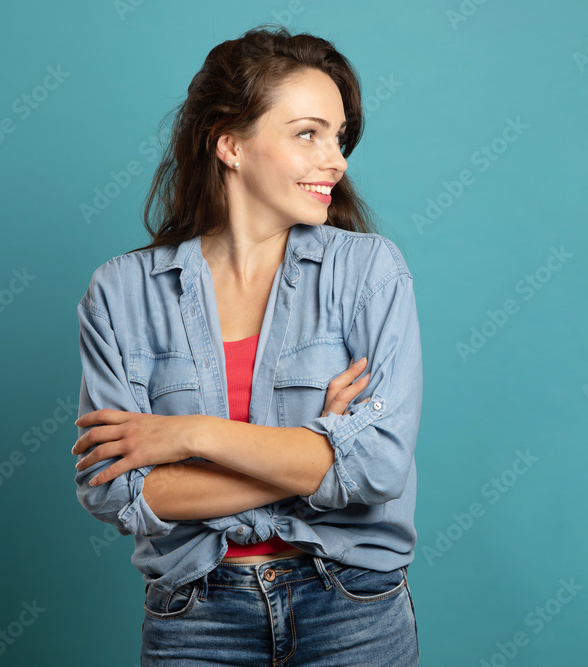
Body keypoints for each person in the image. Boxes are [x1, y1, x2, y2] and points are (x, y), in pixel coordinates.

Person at [71, 24, 422, 665]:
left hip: (352, 610)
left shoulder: (370, 272)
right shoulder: (120, 292)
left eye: (339, 137)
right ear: (231, 145)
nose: (336, 160)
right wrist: (318, 451)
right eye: (308, 134)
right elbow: (116, 491)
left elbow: (378, 468)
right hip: (195, 617)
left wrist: (189, 437)